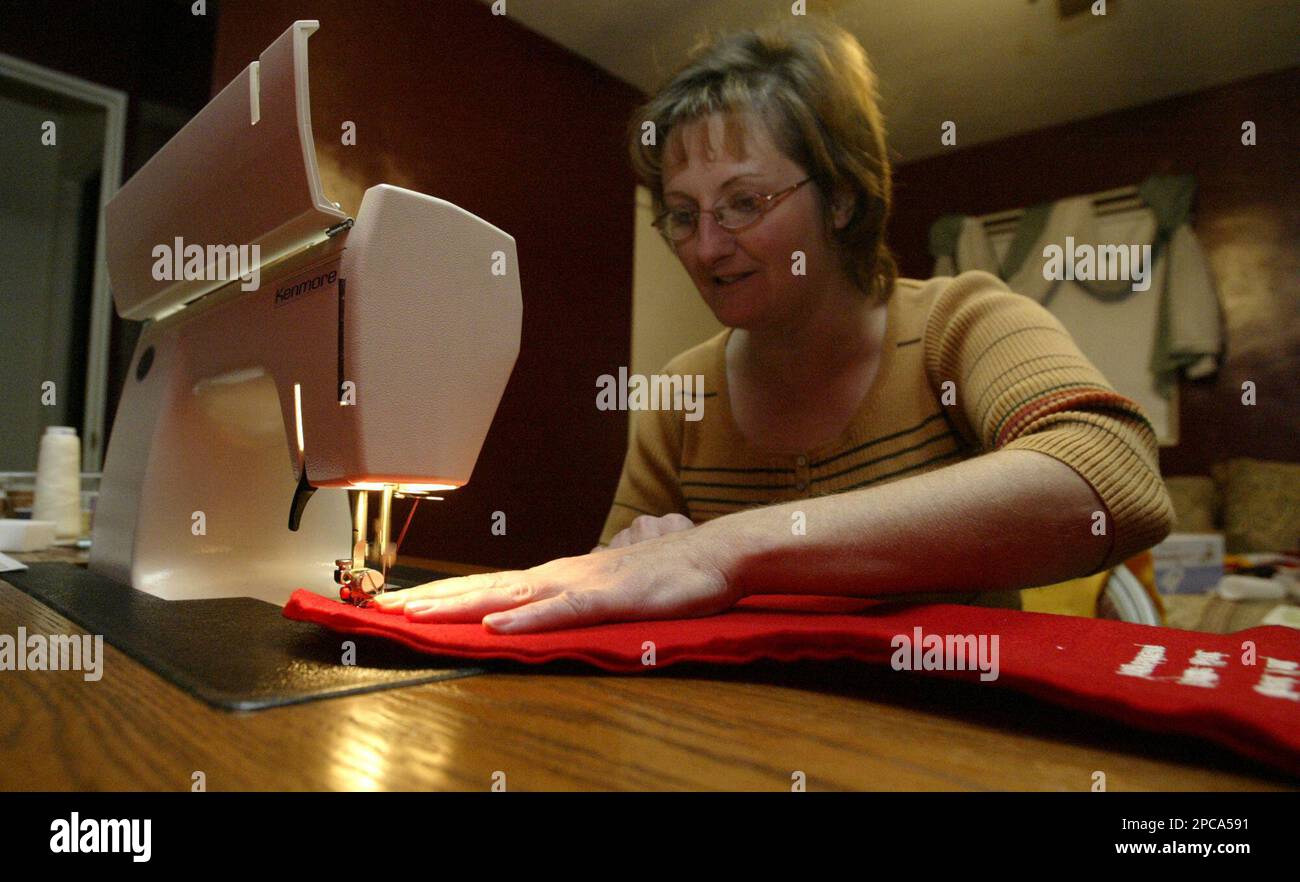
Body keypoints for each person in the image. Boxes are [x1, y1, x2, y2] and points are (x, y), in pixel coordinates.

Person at [376, 19, 1173, 632]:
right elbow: (615, 588)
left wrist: (722, 549)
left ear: (841, 197)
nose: (708, 247)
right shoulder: (681, 395)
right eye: (682, 216)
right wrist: (635, 560)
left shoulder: (960, 324)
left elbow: (1115, 477)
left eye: (744, 203)